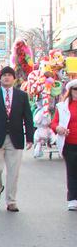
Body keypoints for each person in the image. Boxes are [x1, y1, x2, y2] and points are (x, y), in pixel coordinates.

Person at [0, 65, 34, 212]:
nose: (7, 77)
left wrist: (30, 137)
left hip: (15, 138)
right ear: (0, 79)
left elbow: (28, 117)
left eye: (9, 75)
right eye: (4, 75)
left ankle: (11, 201)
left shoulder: (22, 96)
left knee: (13, 172)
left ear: (14, 79)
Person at [50, 79, 77, 210]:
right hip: (69, 144)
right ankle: (72, 199)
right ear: (70, 91)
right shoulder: (62, 107)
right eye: (75, 89)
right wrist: (59, 128)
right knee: (72, 171)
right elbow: (53, 123)